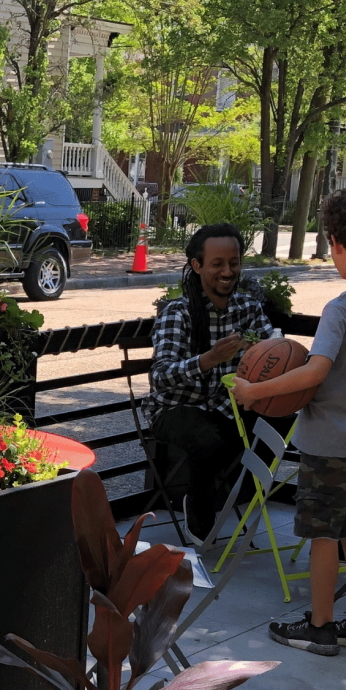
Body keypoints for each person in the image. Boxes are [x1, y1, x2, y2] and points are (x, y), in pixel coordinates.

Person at [233, 187, 346, 655]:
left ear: (336, 242)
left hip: (330, 445)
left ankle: (321, 626)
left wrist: (253, 391)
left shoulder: (340, 309)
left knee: (322, 535)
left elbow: (314, 369)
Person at [144, 223, 275, 544]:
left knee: (281, 422)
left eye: (234, 262)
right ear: (197, 266)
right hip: (174, 408)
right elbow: (160, 377)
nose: (228, 271)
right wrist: (209, 359)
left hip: (227, 405)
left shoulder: (248, 308)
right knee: (207, 441)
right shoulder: (179, 312)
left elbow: (274, 348)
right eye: (217, 263)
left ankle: (232, 497)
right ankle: (201, 514)